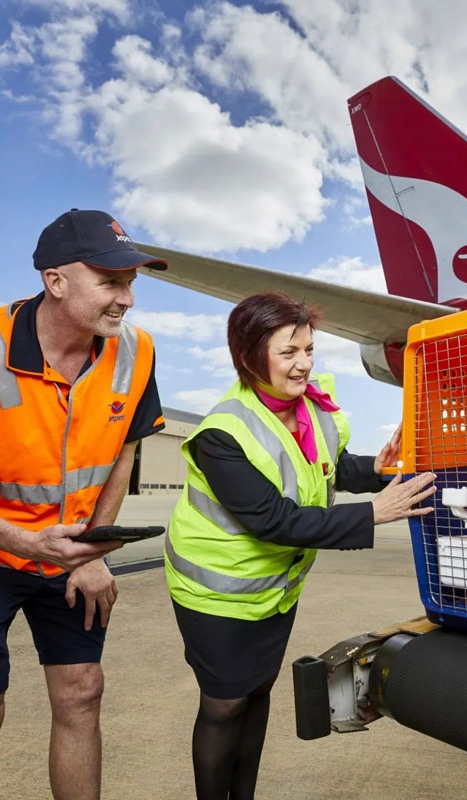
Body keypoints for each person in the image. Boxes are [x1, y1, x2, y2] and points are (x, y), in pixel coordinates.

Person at [0, 208, 169, 800]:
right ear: (56, 281)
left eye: (130, 283)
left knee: (82, 692)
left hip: (69, 551)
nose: (126, 300)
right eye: (110, 282)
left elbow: (124, 451)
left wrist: (94, 550)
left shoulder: (135, 352)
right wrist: (25, 542)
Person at [165, 291, 436, 800]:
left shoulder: (313, 410)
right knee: (223, 703)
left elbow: (331, 468)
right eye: (288, 353)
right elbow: (272, 518)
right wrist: (372, 516)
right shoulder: (221, 433)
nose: (304, 365)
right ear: (250, 357)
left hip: (274, 590)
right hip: (215, 591)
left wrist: (376, 472)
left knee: (257, 693)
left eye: (309, 350)